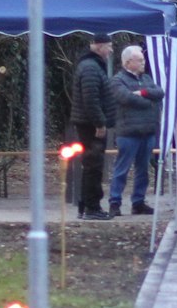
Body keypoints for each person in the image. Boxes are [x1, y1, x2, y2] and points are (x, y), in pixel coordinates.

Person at [107, 44, 165, 216]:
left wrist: (143, 93)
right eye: (139, 60)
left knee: (143, 170)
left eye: (143, 59)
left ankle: (138, 202)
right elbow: (126, 98)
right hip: (128, 133)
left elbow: (159, 92)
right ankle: (115, 202)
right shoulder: (118, 80)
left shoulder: (146, 78)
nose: (143, 63)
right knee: (122, 168)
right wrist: (149, 101)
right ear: (127, 62)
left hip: (148, 132)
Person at [70, 32, 117, 220]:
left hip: (88, 122)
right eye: (109, 46)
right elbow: (90, 99)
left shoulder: (90, 65)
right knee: (94, 166)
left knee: (91, 164)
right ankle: (92, 208)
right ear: (99, 46)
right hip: (91, 125)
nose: (111, 50)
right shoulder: (91, 67)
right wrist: (100, 123)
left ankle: (85, 206)